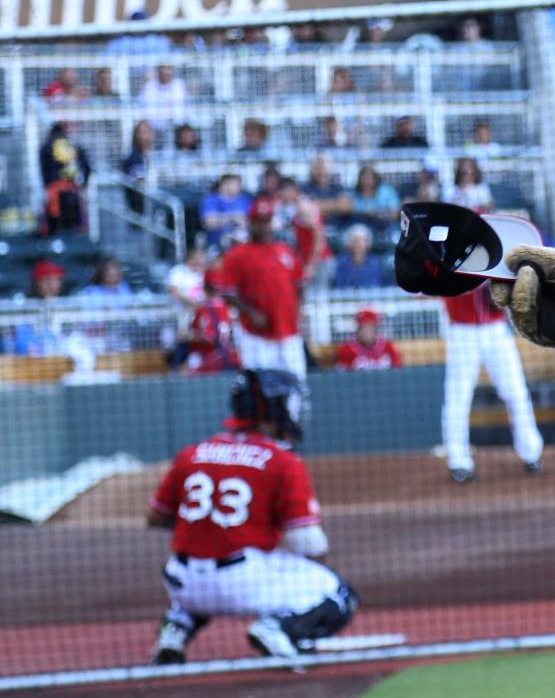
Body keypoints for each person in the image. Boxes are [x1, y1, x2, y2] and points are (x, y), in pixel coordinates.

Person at [146, 369, 358, 663]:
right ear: (275, 409)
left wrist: (209, 528)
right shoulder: (282, 461)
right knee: (338, 593)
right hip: (242, 581)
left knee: (198, 577)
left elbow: (156, 518)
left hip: (182, 582)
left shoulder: (192, 453)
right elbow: (311, 546)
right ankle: (278, 628)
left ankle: (176, 629)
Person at [441, 285, 544, 482]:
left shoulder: (496, 253)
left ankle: (531, 453)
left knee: (516, 392)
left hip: (495, 328)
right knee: (457, 398)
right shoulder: (450, 254)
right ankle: (459, 462)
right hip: (462, 330)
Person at [218, 197, 307, 377]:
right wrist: (251, 312)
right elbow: (227, 292)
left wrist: (297, 309)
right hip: (256, 334)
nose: (264, 227)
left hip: (289, 330)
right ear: (250, 224)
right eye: (259, 222)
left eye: (267, 221)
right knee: (261, 384)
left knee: (296, 383)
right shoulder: (237, 255)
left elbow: (300, 283)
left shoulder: (285, 250)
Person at [39, 121, 90, 234]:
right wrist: (83, 184)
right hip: (73, 194)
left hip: (54, 196)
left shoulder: (46, 147)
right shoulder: (74, 146)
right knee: (75, 228)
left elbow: (44, 172)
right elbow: (87, 167)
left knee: (55, 228)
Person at [335, 309, 402, 371]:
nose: (366, 331)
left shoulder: (387, 346)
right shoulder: (346, 350)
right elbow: (342, 378)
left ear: (375, 328)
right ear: (357, 329)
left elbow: (398, 370)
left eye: (369, 326)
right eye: (362, 327)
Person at [331, 223, 392, 289]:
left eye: (363, 240)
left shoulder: (377, 263)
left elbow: (385, 287)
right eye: (355, 240)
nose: (359, 244)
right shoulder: (340, 264)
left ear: (368, 243)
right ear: (348, 243)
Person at [304, 155, 353, 222]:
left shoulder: (337, 187)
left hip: (338, 226)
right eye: (316, 168)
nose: (320, 171)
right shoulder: (305, 188)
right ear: (311, 170)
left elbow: (346, 207)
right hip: (315, 229)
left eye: (323, 167)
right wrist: (336, 205)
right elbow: (307, 209)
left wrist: (320, 206)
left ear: (329, 169)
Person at [140, 64, 189, 132]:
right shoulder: (150, 86)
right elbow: (148, 110)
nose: (165, 72)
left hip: (178, 127)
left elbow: (180, 109)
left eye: (168, 68)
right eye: (162, 69)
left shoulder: (179, 85)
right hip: (155, 128)